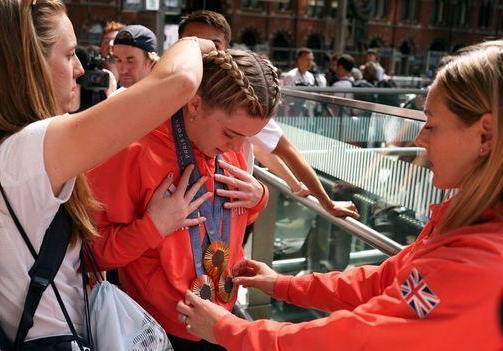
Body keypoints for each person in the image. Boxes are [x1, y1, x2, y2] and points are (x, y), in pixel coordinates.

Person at [176, 40, 503, 350]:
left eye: (431, 124)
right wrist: (283, 285)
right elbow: (383, 281)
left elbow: (350, 341)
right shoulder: (463, 225)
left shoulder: (475, 265)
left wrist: (228, 330)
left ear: (484, 135)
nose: (419, 138)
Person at [0, 0, 214, 347]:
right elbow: (180, 81)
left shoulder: (9, 150)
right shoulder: (29, 150)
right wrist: (193, 43)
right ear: (30, 66)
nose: (80, 68)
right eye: (68, 55)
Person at [87, 49, 280, 351]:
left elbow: (234, 222)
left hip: (221, 321)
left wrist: (259, 200)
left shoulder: (228, 147)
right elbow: (90, 256)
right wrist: (153, 227)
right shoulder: (132, 149)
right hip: (155, 331)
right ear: (194, 104)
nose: (239, 148)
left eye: (248, 137)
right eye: (231, 133)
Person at [179, 11, 358, 218]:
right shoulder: (160, 96)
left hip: (227, 211)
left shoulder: (242, 101)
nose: (204, 51)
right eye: (193, 43)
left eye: (214, 44)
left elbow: (273, 147)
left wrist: (323, 201)